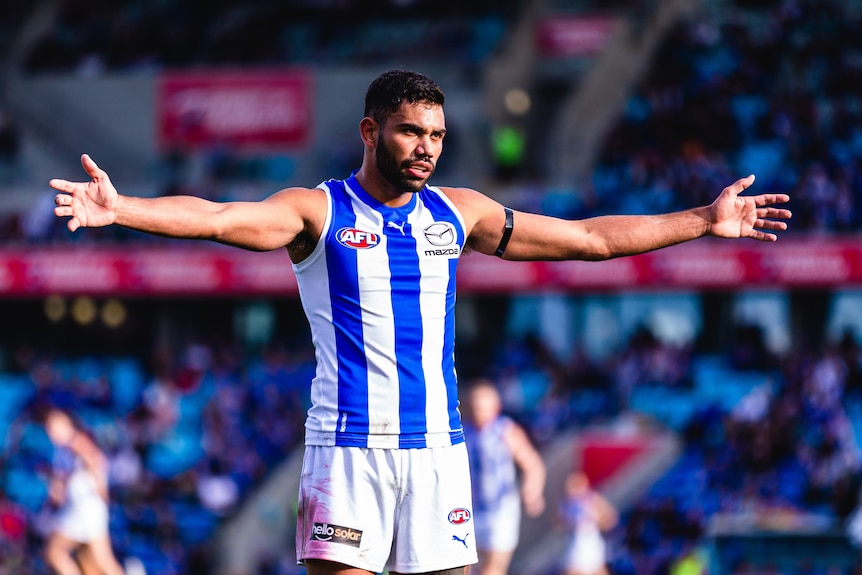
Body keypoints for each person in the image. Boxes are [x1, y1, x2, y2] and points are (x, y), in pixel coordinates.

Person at [50, 69, 791, 575]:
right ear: (372, 132)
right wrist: (123, 209)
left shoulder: (456, 213)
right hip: (348, 448)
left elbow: (588, 239)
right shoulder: (320, 212)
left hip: (438, 451)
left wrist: (702, 219)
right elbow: (219, 218)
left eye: (435, 136)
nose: (426, 149)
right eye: (410, 133)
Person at [461, 379, 545, 575]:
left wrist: (532, 490)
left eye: (482, 406)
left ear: (495, 406)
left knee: (494, 567)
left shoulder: (505, 431)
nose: (478, 411)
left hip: (500, 510)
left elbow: (532, 464)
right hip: (470, 509)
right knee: (464, 566)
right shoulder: (463, 430)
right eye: (474, 405)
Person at [41, 407, 126, 575]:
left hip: (86, 508)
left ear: (68, 424)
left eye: (55, 425)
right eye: (49, 427)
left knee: (55, 552)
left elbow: (96, 459)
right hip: (79, 507)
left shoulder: (75, 441)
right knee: (91, 563)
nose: (51, 430)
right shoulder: (62, 450)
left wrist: (101, 486)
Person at [558, 471, 617, 575]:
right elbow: (559, 524)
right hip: (576, 545)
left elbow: (611, 520)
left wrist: (596, 519)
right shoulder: (566, 503)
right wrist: (570, 523)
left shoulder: (594, 499)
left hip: (591, 544)